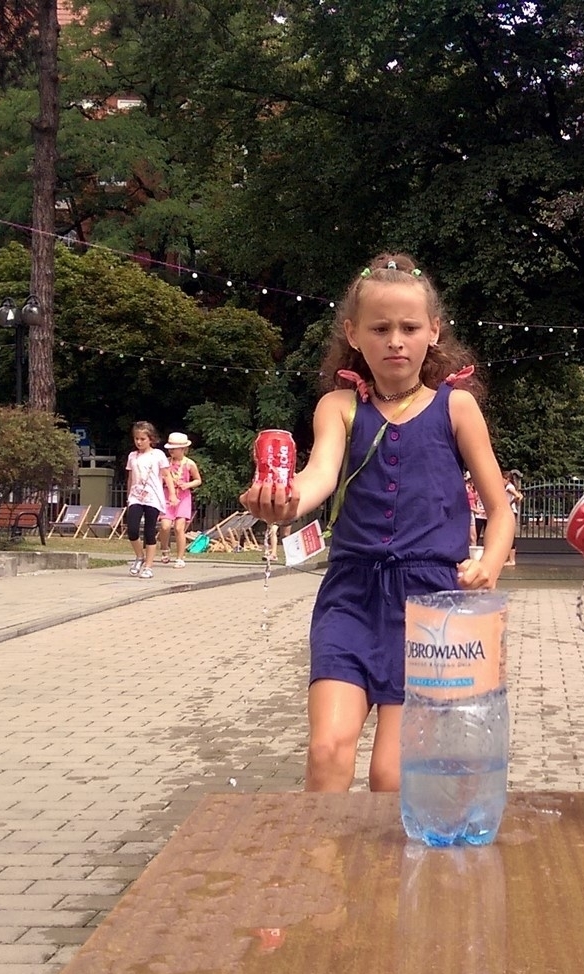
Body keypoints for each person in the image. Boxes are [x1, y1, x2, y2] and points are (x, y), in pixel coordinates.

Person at [242, 253, 514, 794]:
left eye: (409, 328)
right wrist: (284, 502)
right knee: (326, 750)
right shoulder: (338, 406)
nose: (396, 341)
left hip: (432, 605)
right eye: (380, 328)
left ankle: (388, 854)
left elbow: (500, 508)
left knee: (392, 776)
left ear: (433, 332)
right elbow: (318, 476)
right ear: (353, 334)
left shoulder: (457, 408)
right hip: (351, 596)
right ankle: (324, 851)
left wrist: (489, 561)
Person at [124, 421, 167, 578]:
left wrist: (172, 495)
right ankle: (139, 556)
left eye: (143, 439)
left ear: (151, 439)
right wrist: (129, 496)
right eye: (136, 439)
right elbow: (130, 477)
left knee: (149, 531)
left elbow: (166, 475)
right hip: (136, 496)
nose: (139, 442)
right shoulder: (132, 456)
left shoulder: (158, 455)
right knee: (132, 529)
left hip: (152, 497)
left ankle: (149, 566)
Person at [158, 432, 202, 567]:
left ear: (183, 449)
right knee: (165, 526)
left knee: (179, 528)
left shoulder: (189, 464)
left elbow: (198, 480)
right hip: (167, 496)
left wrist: (187, 485)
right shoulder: (165, 463)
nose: (171, 451)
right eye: (170, 448)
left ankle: (180, 557)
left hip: (183, 497)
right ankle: (165, 548)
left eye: (174, 448)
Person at [503, 469, 523, 567]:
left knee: (510, 535)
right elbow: (520, 496)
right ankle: (509, 559)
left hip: (510, 512)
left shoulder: (509, 487)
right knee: (508, 535)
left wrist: (510, 503)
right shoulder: (509, 487)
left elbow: (518, 496)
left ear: (507, 479)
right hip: (510, 512)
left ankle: (511, 560)